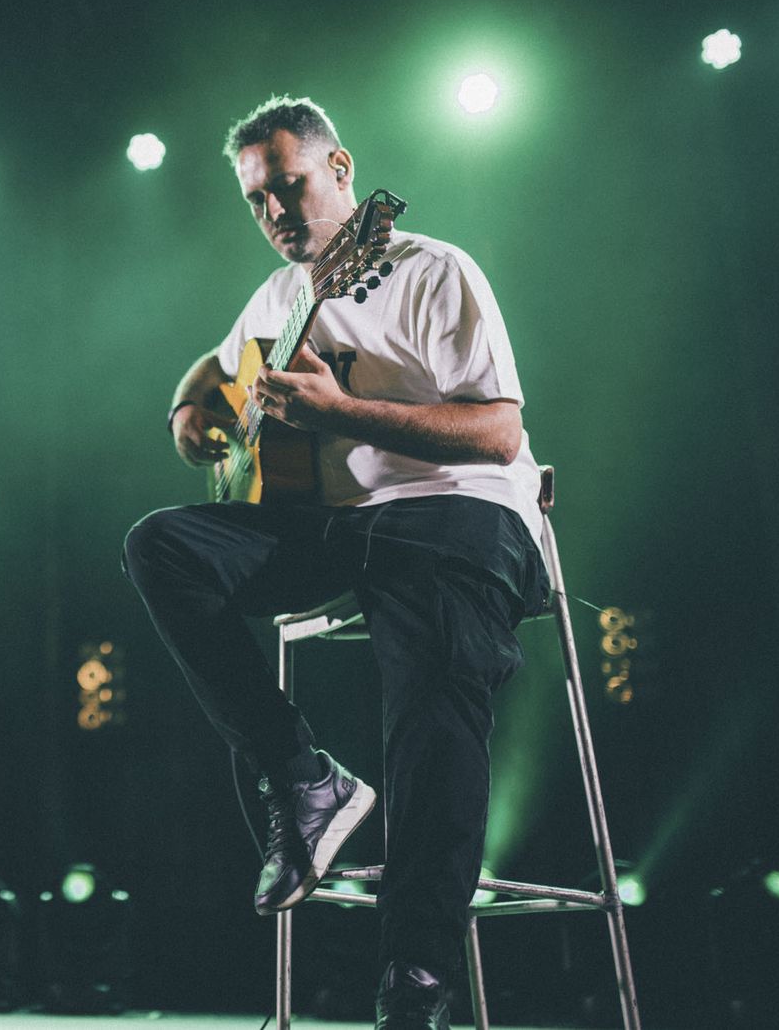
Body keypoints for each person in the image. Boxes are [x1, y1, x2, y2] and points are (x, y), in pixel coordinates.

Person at [122, 96, 546, 1030]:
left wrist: (340, 413)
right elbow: (214, 366)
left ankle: (415, 982)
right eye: (256, 199)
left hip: (456, 513)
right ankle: (303, 775)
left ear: (342, 169)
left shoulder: (430, 269)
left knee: (429, 699)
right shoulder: (281, 297)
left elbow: (498, 428)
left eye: (290, 186)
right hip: (338, 526)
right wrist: (190, 415)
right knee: (163, 545)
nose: (276, 211)